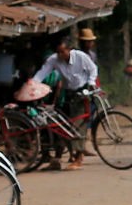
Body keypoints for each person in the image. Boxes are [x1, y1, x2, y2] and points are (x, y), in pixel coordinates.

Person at [31, 36, 98, 170]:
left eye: (63, 51)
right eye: (58, 52)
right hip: (67, 94)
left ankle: (78, 157)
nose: (60, 55)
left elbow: (93, 69)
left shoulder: (80, 56)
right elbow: (42, 72)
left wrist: (91, 82)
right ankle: (57, 158)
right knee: (60, 125)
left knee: (78, 125)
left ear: (69, 49)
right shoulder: (54, 59)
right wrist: (32, 84)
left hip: (82, 93)